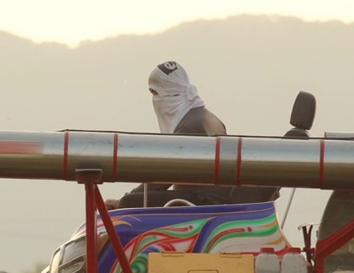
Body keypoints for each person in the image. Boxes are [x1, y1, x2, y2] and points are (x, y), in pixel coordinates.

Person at [116, 61, 278, 208]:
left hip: (202, 202)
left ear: (168, 93)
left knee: (129, 204)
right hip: (212, 199)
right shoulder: (205, 116)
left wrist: (123, 201)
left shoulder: (188, 127)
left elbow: (162, 178)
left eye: (154, 93)